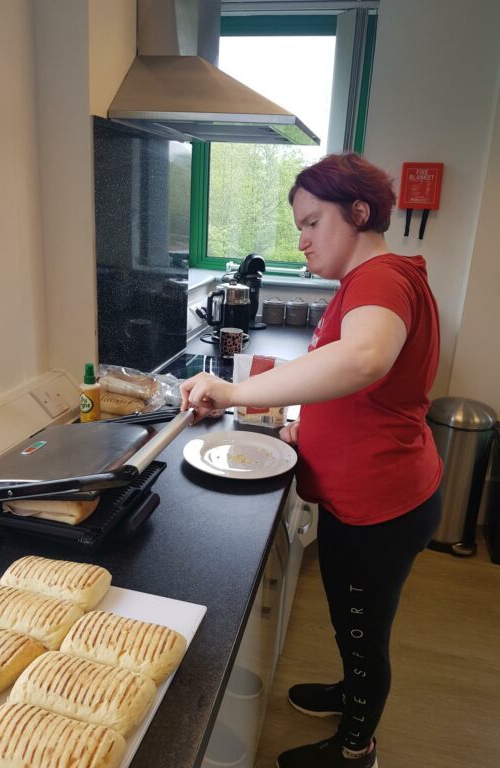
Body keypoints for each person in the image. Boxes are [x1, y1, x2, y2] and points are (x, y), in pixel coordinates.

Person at [179, 152, 443, 768]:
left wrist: (236, 391)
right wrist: (306, 425)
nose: (301, 239)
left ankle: (357, 750)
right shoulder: (373, 280)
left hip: (381, 505)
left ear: (357, 212)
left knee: (364, 633)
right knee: (350, 619)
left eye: (311, 222)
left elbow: (365, 359)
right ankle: (347, 691)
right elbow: (358, 385)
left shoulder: (379, 278)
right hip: (378, 493)